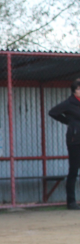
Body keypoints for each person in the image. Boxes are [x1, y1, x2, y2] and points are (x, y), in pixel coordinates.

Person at [48, 78, 80, 210]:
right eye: (79, 89)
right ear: (74, 91)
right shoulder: (69, 103)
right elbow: (52, 112)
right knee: (74, 170)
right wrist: (69, 122)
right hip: (75, 140)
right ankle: (71, 202)